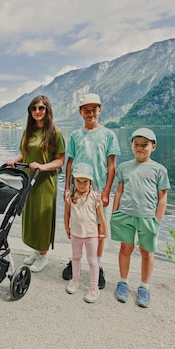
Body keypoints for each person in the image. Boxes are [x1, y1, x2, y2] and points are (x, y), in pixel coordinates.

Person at [62, 93, 120, 290]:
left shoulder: (109, 135)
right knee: (77, 223)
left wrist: (106, 192)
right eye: (86, 110)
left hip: (97, 190)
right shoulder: (75, 135)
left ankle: (98, 263)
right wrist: (66, 188)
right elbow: (69, 162)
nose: (90, 113)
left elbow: (112, 166)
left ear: (100, 110)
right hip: (77, 189)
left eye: (94, 109)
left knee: (98, 229)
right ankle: (74, 260)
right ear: (80, 112)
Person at [111, 128, 170, 308]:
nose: (140, 148)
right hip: (125, 214)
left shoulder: (159, 170)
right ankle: (123, 282)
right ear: (131, 146)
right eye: (136, 144)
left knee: (146, 252)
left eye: (144, 145)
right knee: (125, 248)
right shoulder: (124, 167)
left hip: (147, 217)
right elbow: (119, 191)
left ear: (153, 146)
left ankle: (144, 286)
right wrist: (114, 213)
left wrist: (157, 221)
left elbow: (162, 198)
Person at [6, 95, 65, 272]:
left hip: (45, 182)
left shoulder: (55, 132)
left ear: (47, 110)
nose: (37, 112)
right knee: (32, 216)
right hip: (29, 180)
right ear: (30, 111)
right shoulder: (28, 132)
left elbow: (60, 160)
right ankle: (36, 251)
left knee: (43, 218)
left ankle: (44, 255)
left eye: (41, 108)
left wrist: (42, 166)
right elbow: (24, 154)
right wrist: (14, 161)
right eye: (34, 108)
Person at [63, 162, 107, 303]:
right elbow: (66, 213)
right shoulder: (70, 196)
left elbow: (101, 216)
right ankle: (75, 280)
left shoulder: (95, 197)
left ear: (90, 181)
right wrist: (67, 227)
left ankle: (94, 287)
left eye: (85, 182)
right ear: (73, 181)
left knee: (92, 261)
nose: (82, 185)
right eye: (78, 181)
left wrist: (104, 231)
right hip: (76, 233)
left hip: (91, 234)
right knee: (76, 257)